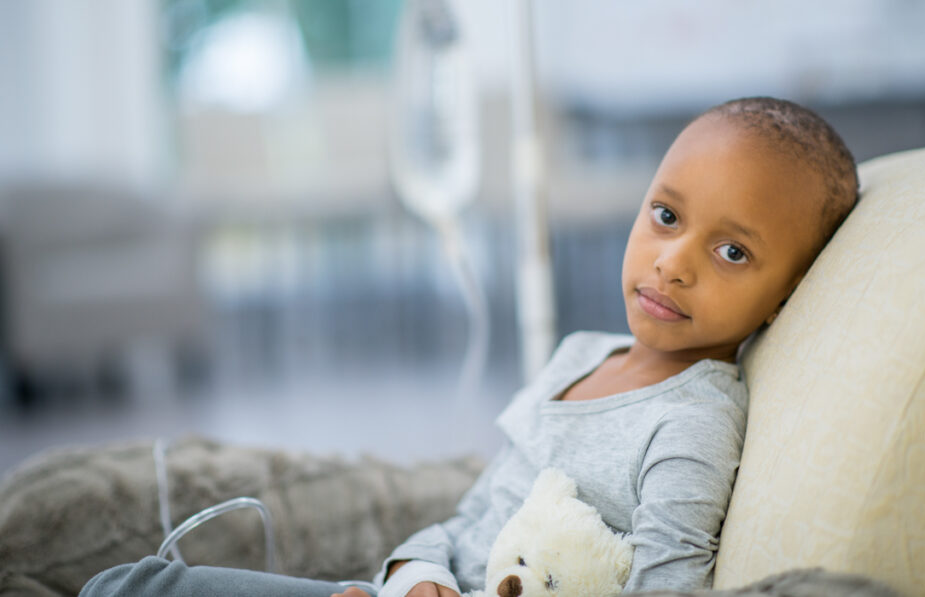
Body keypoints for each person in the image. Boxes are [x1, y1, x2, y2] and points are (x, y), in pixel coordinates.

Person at [79, 97, 859, 597]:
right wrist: (414, 578)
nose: (673, 260)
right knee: (127, 581)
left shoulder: (691, 422)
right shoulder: (581, 355)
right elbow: (463, 523)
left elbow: (667, 587)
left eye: (732, 253)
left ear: (785, 296)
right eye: (665, 215)